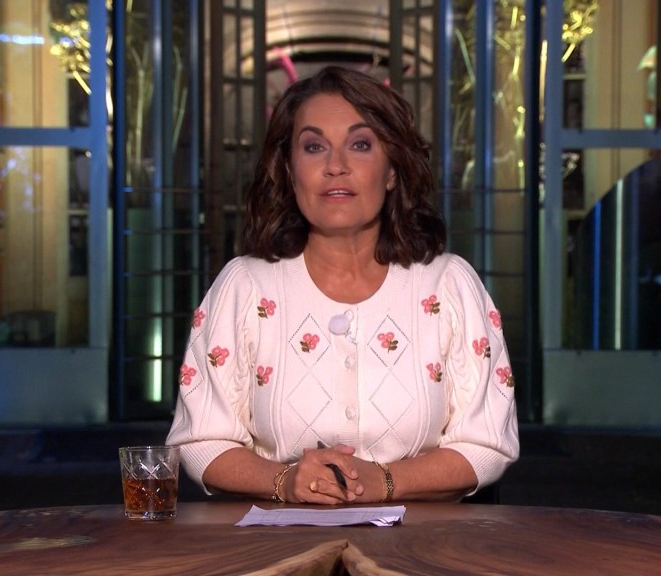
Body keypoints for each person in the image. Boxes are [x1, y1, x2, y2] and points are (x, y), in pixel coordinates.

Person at [165, 65, 519, 505]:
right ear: (290, 170)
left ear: (392, 170)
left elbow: (487, 444)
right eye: (314, 147)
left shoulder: (449, 285)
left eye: (360, 144)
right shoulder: (244, 286)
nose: (336, 166)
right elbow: (200, 441)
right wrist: (285, 481)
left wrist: (386, 481)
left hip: (423, 544)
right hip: (278, 544)